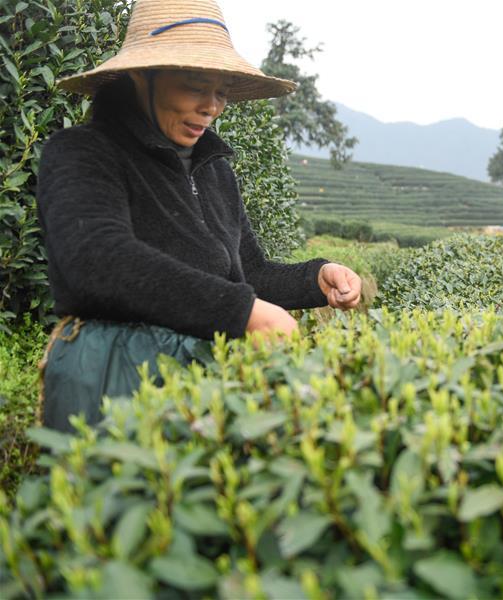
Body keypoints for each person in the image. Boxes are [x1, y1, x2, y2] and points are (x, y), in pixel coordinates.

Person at [37, 0, 362, 431]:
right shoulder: (84, 151)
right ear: (142, 76)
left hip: (200, 372)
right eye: (194, 86)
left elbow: (246, 271)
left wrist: (315, 278)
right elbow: (98, 260)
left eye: (221, 91)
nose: (212, 106)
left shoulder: (214, 170)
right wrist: (241, 312)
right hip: (112, 369)